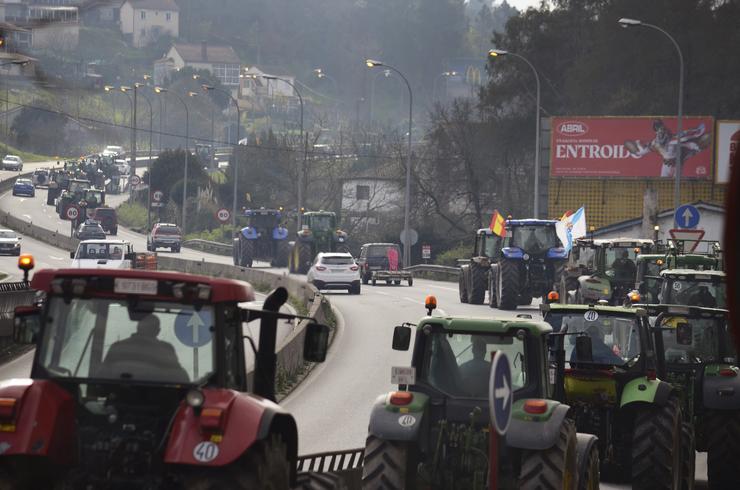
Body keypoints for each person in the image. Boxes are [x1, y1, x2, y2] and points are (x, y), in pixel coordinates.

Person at [100, 315, 188, 383]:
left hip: (118, 401)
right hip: (160, 403)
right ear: (158, 331)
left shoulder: (118, 347)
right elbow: (181, 378)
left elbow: (101, 378)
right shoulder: (165, 350)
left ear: (138, 328)